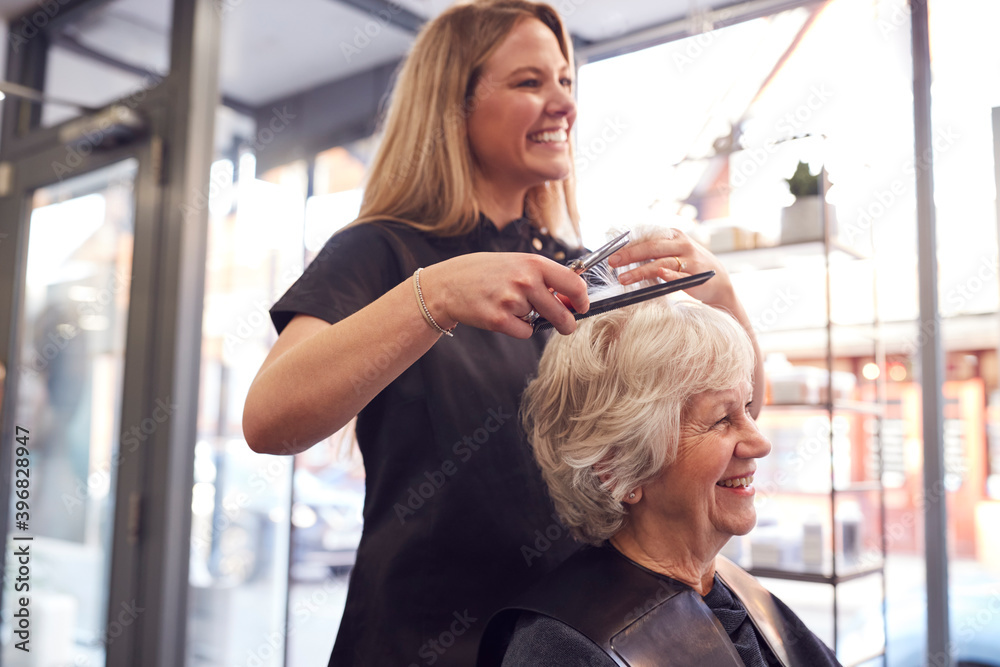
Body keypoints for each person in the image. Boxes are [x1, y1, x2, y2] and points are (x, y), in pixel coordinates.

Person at [243, 1, 763, 664]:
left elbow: (738, 419)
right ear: (453, 105)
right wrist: (434, 296)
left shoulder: (576, 271)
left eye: (566, 81)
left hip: (568, 640)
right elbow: (269, 421)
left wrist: (721, 293)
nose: (564, 103)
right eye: (529, 82)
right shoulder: (380, 252)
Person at [477, 295, 840, 666]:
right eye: (721, 420)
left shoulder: (735, 592)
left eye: (747, 408)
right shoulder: (560, 650)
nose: (760, 443)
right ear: (618, 468)